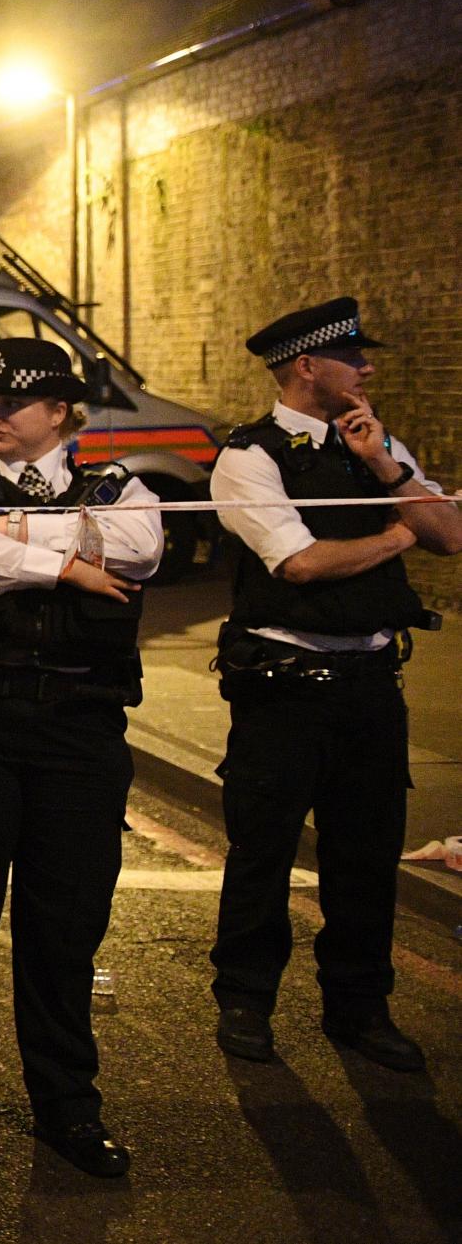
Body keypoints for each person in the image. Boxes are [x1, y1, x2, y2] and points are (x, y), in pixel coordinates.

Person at [0, 338, 162, 1178]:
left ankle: (67, 1106)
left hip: (79, 737)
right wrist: (64, 564)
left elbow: (139, 549)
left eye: (13, 402)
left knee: (66, 928)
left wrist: (7, 537)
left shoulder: (124, 488)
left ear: (61, 412)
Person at [206, 297, 460, 1072]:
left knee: (366, 854)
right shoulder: (249, 457)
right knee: (264, 851)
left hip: (370, 682)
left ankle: (359, 1006)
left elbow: (450, 535)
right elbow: (300, 562)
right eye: (354, 357)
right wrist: (396, 529)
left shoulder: (377, 445)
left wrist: (387, 468)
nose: (369, 368)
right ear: (307, 366)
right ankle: (246, 1000)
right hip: (285, 687)